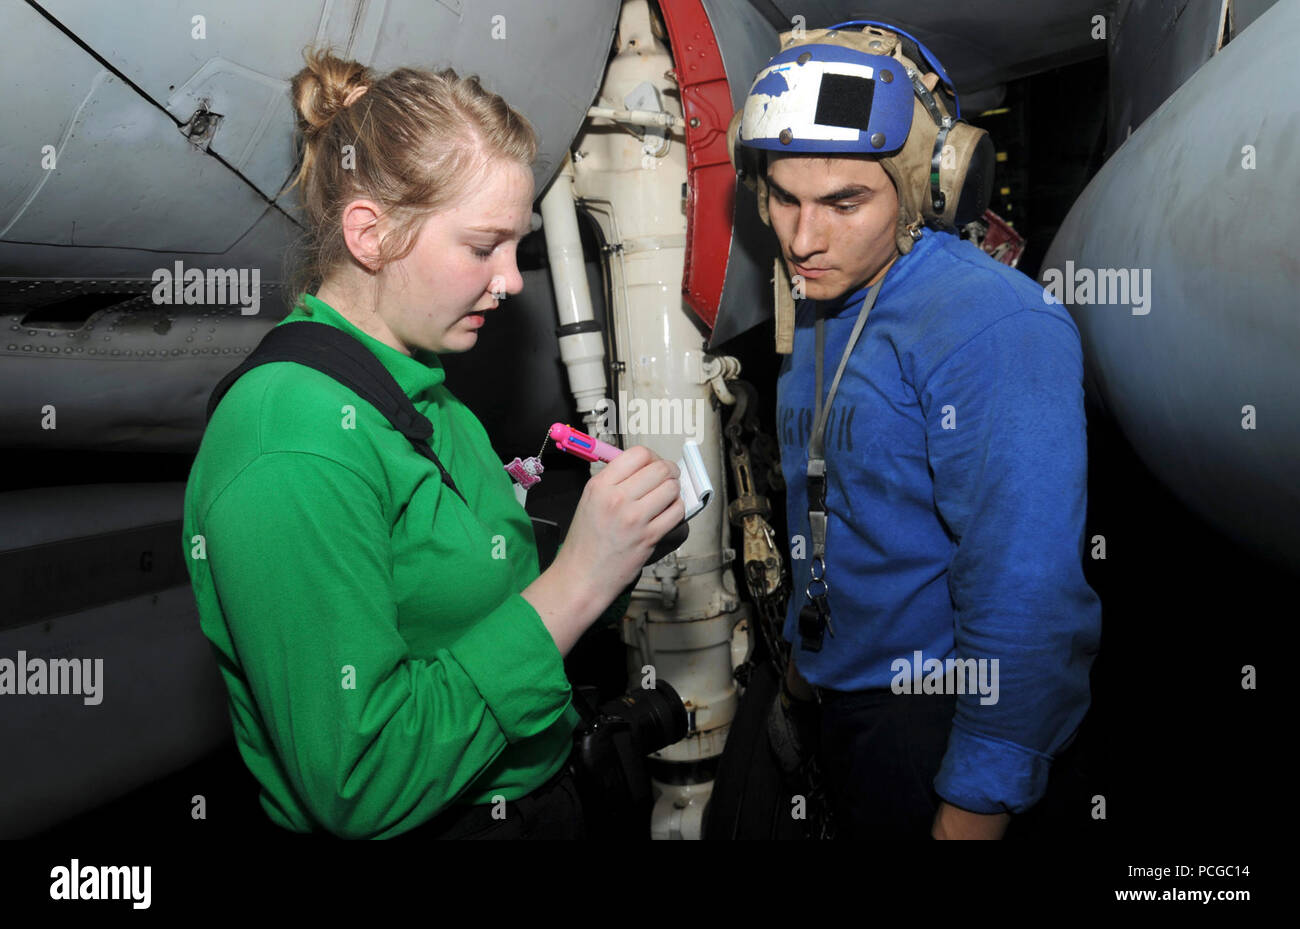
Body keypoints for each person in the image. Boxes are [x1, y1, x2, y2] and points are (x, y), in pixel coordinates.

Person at [182, 48, 684, 839]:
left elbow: (471, 605)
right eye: (483, 247)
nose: (513, 279)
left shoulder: (423, 388)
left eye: (517, 247)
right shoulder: (290, 445)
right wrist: (580, 582)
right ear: (370, 235)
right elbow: (359, 781)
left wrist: (614, 546)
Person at [728, 22, 1102, 839]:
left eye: (843, 202)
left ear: (924, 189)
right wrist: (802, 672)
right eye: (784, 197)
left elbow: (1026, 589)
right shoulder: (823, 300)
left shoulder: (991, 324)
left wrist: (976, 800)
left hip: (938, 727)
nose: (801, 239)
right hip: (842, 705)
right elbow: (838, 510)